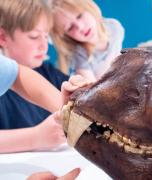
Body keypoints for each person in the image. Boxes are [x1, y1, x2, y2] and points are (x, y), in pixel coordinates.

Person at [0, 0, 89, 153]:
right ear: (2, 37)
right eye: (34, 36)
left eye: (46, 36)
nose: (44, 45)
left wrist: (76, 111)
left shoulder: (48, 73)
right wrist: (35, 137)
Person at [50, 0, 124, 81]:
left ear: (89, 7)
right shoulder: (79, 54)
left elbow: (119, 61)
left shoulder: (114, 27)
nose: (80, 27)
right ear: (66, 36)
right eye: (70, 27)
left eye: (79, 16)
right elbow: (94, 90)